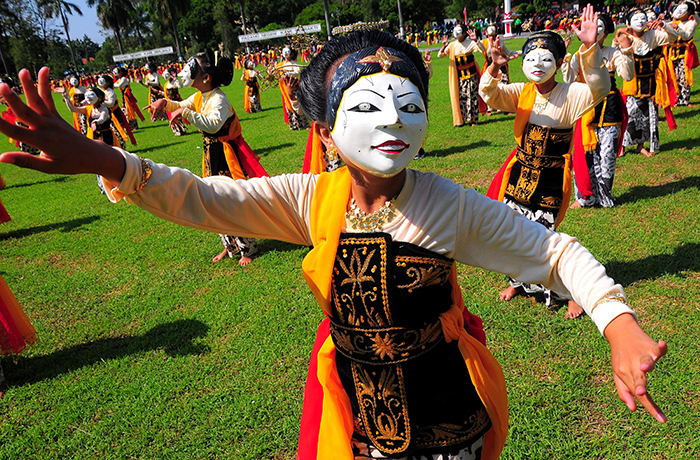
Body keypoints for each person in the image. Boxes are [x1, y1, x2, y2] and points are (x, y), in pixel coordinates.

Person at [0, 27, 668, 459]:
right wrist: (104, 158)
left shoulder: (446, 204)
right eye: (368, 106)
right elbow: (203, 198)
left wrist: (618, 324)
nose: (392, 122)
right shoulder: (311, 199)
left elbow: (552, 252)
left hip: (443, 417)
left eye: (408, 106)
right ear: (324, 124)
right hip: (355, 410)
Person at [480, 7, 609, 319]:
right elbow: (489, 95)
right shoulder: (521, 92)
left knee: (544, 237)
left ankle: (569, 292)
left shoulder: (572, 94)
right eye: (530, 59)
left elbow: (600, 88)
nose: (537, 65)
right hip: (520, 174)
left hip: (550, 177)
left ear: (560, 63)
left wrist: (590, 50)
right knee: (512, 231)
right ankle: (519, 282)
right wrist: (495, 68)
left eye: (546, 59)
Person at [147, 49, 267, 266]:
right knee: (213, 198)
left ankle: (248, 247)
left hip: (225, 156)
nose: (186, 71)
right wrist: (164, 103)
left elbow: (213, 125)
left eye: (192, 67)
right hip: (211, 155)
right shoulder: (201, 95)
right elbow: (181, 105)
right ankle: (229, 245)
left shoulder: (219, 99)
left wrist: (185, 114)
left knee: (231, 198)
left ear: (206, 77)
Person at [562, 13, 635, 209]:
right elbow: (568, 79)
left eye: (600, 26)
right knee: (584, 155)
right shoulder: (578, 54)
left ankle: (605, 196)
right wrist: (564, 60)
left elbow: (627, 75)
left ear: (607, 31)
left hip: (609, 108)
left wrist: (627, 51)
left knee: (607, 155)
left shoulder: (613, 53)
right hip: (585, 108)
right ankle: (585, 196)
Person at [619, 8, 679, 156]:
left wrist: (664, 25)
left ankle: (641, 145)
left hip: (650, 82)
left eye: (642, 18)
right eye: (636, 18)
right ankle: (622, 147)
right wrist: (619, 35)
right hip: (632, 82)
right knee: (629, 115)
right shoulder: (625, 37)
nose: (640, 21)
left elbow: (674, 37)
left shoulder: (653, 35)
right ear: (628, 22)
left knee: (647, 116)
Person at [439, 24, 486, 127]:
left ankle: (473, 119)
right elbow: (440, 55)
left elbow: (483, 49)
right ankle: (463, 119)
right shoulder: (452, 45)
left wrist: (476, 40)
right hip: (460, 77)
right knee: (462, 98)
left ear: (464, 33)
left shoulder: (470, 43)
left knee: (472, 97)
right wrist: (444, 46)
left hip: (471, 75)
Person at [664, 1, 698, 107]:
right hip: (672, 53)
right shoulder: (674, 22)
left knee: (684, 76)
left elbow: (686, 36)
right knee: (674, 75)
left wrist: (677, 28)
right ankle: (675, 98)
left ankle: (685, 100)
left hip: (684, 53)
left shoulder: (691, 23)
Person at [275, 47, 310, 130]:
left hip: (293, 85)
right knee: (289, 104)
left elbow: (296, 72)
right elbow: (275, 72)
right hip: (285, 86)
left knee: (297, 102)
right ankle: (294, 124)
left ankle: (304, 124)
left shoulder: (293, 63)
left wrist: (287, 73)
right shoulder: (281, 65)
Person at [98, 74, 136, 147]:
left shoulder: (110, 92)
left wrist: (101, 101)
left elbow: (111, 104)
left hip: (114, 113)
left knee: (117, 131)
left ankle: (121, 147)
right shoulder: (101, 91)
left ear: (107, 82)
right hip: (107, 114)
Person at [162, 68, 188, 137]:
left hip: (176, 102)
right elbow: (166, 94)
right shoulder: (166, 84)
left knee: (178, 116)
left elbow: (180, 86)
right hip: (169, 103)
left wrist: (176, 79)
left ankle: (182, 130)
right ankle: (177, 131)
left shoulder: (175, 82)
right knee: (172, 117)